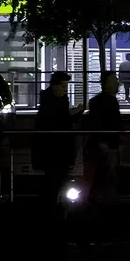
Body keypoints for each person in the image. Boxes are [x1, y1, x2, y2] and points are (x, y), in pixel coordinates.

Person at [32, 72, 84, 206]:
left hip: (52, 150)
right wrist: (76, 113)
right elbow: (62, 122)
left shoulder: (48, 101)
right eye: (64, 86)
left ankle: (50, 206)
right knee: (55, 180)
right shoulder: (57, 102)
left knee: (52, 181)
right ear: (56, 86)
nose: (65, 90)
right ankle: (54, 207)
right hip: (56, 150)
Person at [84, 71, 123, 205]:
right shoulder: (105, 102)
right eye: (114, 80)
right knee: (105, 175)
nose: (118, 83)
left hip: (107, 144)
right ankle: (101, 203)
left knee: (103, 175)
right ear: (106, 84)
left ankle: (99, 202)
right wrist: (103, 141)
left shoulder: (101, 101)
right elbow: (98, 123)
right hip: (106, 145)